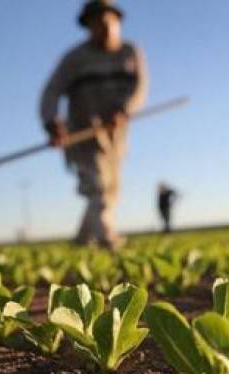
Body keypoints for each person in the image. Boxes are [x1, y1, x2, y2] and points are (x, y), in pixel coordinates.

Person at [40, 0, 148, 249]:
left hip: (116, 136)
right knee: (97, 187)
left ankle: (81, 240)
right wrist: (51, 121)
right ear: (88, 26)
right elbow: (52, 91)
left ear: (118, 22)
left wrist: (125, 110)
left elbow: (139, 87)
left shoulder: (130, 52)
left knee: (109, 191)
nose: (104, 27)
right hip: (83, 134)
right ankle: (107, 240)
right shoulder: (74, 59)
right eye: (97, 23)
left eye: (109, 22)